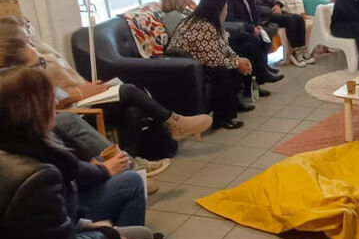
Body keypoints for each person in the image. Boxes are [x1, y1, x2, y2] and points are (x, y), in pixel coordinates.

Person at [0, 67, 171, 239]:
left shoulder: (19, 152)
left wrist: (83, 226)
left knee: (144, 233)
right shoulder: (35, 177)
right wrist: (107, 237)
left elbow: (35, 232)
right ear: (35, 110)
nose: (56, 104)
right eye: (50, 100)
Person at [0, 17, 211, 146]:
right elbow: (53, 98)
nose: (32, 37)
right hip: (71, 111)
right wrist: (84, 92)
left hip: (76, 102)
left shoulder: (37, 57)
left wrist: (86, 89)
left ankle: (134, 161)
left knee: (132, 106)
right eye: (27, 37)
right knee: (128, 91)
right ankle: (174, 122)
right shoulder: (17, 77)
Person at [168, 0, 252, 130]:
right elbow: (213, 59)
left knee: (233, 65)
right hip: (188, 67)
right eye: (224, 9)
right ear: (216, 10)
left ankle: (235, 102)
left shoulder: (210, 22)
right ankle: (223, 118)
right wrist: (237, 63)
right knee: (222, 72)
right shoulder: (202, 26)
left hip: (202, 60)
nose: (226, 12)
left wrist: (237, 59)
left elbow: (222, 47)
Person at [218, 0, 282, 93]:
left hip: (250, 27)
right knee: (252, 43)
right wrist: (251, 28)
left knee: (264, 39)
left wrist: (257, 25)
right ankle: (256, 79)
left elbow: (253, 12)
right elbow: (230, 19)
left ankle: (263, 71)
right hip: (237, 31)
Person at [242, 0, 313, 67]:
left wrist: (277, 4)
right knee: (289, 20)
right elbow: (255, 8)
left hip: (275, 10)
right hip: (265, 16)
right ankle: (295, 52)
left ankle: (302, 49)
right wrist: (270, 11)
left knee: (299, 18)